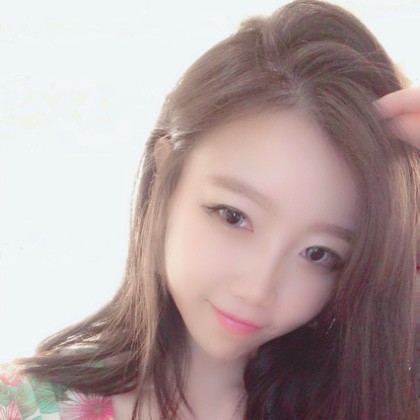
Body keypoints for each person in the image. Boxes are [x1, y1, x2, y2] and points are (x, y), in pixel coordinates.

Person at [1, 0, 419, 418]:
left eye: (318, 253)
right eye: (233, 216)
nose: (257, 289)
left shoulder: (372, 405)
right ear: (165, 176)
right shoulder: (24, 406)